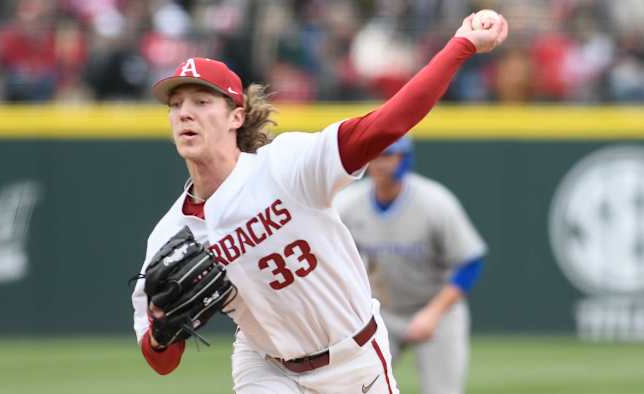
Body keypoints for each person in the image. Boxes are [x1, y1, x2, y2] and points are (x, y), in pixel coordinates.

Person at [130, 13, 508, 394]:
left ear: (236, 116)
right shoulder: (171, 234)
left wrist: (461, 45)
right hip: (265, 366)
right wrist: (162, 334)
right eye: (175, 105)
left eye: (201, 101)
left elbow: (388, 124)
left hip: (353, 355)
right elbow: (160, 360)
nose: (185, 113)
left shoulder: (288, 165)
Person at [335, 137, 486, 394]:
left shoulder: (434, 202)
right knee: (355, 388)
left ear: (403, 159)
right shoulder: (348, 203)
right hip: (379, 311)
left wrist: (433, 313)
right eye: (375, 155)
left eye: (388, 155)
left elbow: (470, 261)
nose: (380, 163)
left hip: (436, 311)